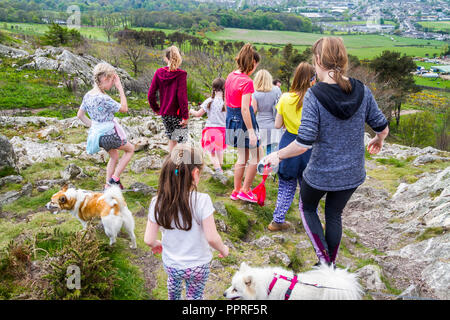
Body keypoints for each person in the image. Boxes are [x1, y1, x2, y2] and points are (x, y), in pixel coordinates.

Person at [264, 37, 389, 267]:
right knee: (334, 215)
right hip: (352, 173)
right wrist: (378, 139)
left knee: (307, 207)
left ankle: (324, 263)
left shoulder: (314, 95)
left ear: (318, 59)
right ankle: (329, 265)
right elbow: (382, 126)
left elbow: (303, 143)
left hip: (320, 172)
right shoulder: (362, 90)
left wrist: (277, 155)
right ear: (343, 59)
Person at [144, 144, 229, 300]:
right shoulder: (203, 200)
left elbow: (148, 239)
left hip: (172, 265)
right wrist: (223, 249)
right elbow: (212, 238)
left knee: (173, 287)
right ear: (195, 173)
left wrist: (157, 244)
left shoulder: (157, 202)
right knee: (195, 296)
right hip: (198, 266)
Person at [268, 62, 316, 232]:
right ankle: (311, 223)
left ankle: (277, 220)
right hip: (308, 145)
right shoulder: (315, 98)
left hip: (288, 143)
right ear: (312, 79)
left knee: (286, 185)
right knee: (308, 188)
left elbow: (277, 124)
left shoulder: (285, 98)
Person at [77, 62, 134, 190]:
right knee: (130, 149)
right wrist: (120, 88)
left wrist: (94, 126)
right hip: (110, 135)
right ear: (104, 79)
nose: (113, 84)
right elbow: (124, 108)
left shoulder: (88, 96)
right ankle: (114, 179)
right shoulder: (103, 98)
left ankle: (108, 186)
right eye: (111, 81)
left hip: (98, 137)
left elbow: (79, 115)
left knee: (114, 156)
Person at [225, 43, 264, 203]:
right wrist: (252, 132)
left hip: (231, 119)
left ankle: (236, 190)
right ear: (252, 63)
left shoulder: (230, 76)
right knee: (257, 155)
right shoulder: (247, 81)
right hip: (243, 121)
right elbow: (245, 109)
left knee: (242, 156)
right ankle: (246, 190)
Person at [148, 45, 189, 152]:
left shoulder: (159, 72)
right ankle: (180, 168)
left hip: (165, 113)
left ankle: (171, 167)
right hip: (178, 114)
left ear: (166, 58)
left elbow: (151, 94)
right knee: (182, 141)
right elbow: (182, 96)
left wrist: (157, 109)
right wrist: (185, 116)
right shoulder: (181, 74)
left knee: (172, 139)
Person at [190, 78, 227, 175]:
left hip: (211, 129)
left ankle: (218, 171)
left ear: (214, 88)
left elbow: (198, 114)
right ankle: (220, 167)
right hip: (223, 130)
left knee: (212, 152)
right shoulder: (227, 102)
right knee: (219, 150)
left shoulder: (210, 101)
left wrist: (190, 111)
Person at [252, 69, 281, 155]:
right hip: (274, 123)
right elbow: (280, 107)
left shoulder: (255, 93)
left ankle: (262, 166)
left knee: (260, 150)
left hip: (260, 124)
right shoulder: (276, 90)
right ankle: (269, 167)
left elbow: (253, 110)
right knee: (272, 151)